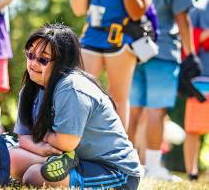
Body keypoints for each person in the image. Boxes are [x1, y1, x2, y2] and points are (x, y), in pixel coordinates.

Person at [9, 23, 142, 189]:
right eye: (30, 55)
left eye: (43, 59)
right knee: (11, 158)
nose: (33, 63)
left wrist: (41, 134)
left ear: (62, 62)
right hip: (73, 157)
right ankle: (59, 164)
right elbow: (24, 137)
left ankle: (62, 169)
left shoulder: (72, 88)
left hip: (114, 170)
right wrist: (43, 150)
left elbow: (66, 142)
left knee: (33, 176)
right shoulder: (29, 90)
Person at [128, 0, 196, 181]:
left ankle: (125, 163)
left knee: (130, 111)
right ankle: (153, 166)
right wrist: (190, 56)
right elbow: (183, 19)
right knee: (156, 112)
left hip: (134, 50)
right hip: (164, 51)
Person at [70, 0, 154, 127]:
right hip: (91, 36)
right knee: (79, 93)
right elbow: (77, 9)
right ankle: (76, 142)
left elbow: (137, 13)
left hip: (121, 38)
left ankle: (118, 147)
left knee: (117, 100)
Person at [183, 0, 209, 181]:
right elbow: (187, 41)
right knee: (193, 127)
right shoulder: (199, 9)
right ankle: (191, 172)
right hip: (202, 77)